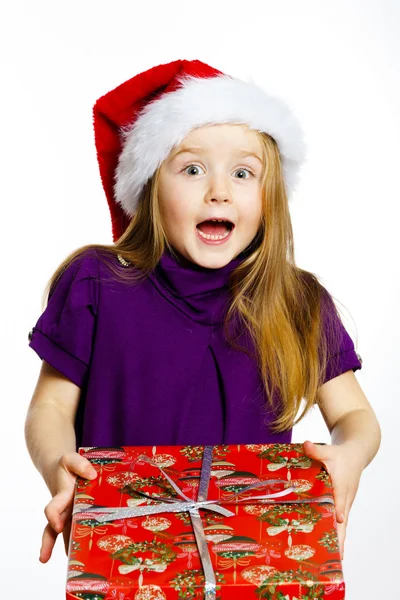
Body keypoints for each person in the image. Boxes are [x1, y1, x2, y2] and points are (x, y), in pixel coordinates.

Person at [24, 59, 380, 569]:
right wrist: (62, 472)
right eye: (192, 169)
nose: (219, 191)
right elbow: (51, 410)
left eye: (243, 173)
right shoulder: (97, 283)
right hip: (129, 558)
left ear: (269, 196)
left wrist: (351, 454)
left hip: (252, 560)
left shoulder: (297, 301)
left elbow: (355, 416)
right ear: (149, 187)